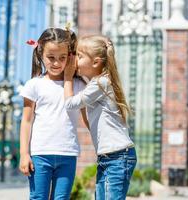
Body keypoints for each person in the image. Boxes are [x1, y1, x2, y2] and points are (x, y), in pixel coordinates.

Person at [64, 35, 137, 200]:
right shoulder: (98, 83)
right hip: (109, 156)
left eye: (80, 56)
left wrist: (68, 77)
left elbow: (69, 104)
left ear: (96, 62)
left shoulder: (100, 83)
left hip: (117, 156)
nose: (76, 61)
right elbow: (89, 121)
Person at [19, 27, 86, 199]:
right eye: (51, 58)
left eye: (62, 58)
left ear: (70, 56)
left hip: (68, 153)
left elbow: (87, 117)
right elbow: (26, 121)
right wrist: (24, 154)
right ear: (41, 53)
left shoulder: (78, 86)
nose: (56, 63)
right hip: (40, 154)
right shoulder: (34, 85)